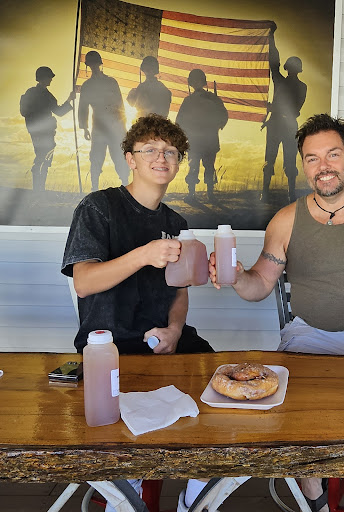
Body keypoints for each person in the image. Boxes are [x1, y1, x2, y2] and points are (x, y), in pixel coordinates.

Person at [209, 114, 344, 512]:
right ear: (304, 166)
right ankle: (315, 495)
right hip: (307, 336)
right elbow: (259, 285)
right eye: (312, 158)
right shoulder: (285, 220)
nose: (323, 166)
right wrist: (238, 276)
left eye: (333, 154)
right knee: (298, 419)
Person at [62, 113, 212, 511]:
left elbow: (179, 292)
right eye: (150, 150)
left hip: (167, 343)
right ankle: (125, 492)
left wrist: (175, 330)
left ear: (178, 163)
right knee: (128, 431)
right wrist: (144, 254)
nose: (162, 158)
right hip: (111, 347)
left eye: (171, 152)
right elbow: (84, 282)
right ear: (130, 158)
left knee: (217, 399)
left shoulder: (175, 222)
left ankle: (196, 496)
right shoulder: (99, 208)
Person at [260, 24, 307, 204]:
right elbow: (274, 62)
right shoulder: (300, 86)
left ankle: (277, 194)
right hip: (285, 125)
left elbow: (274, 62)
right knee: (279, 161)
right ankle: (286, 194)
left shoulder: (286, 83)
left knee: (275, 161)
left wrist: (271, 37)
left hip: (280, 124)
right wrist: (271, 37)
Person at [78, 50, 130, 191]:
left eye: (95, 64)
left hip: (114, 125)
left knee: (119, 157)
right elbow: (83, 107)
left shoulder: (111, 82)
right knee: (96, 158)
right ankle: (94, 188)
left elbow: (120, 104)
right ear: (88, 66)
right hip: (98, 126)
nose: (94, 67)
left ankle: (125, 185)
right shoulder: (87, 86)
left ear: (99, 64)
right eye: (91, 64)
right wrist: (84, 127)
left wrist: (122, 126)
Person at [176, 68, 228, 202]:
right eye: (194, 81)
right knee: (194, 167)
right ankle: (192, 194)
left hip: (208, 139)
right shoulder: (190, 100)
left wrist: (217, 125)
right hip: (196, 140)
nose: (196, 83)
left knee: (208, 166)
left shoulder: (212, 99)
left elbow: (223, 115)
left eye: (198, 80)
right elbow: (180, 120)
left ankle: (210, 194)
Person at [20, 66, 75, 191]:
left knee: (44, 158)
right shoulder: (44, 95)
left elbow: (58, 111)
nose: (51, 79)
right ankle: (39, 189)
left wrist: (69, 99)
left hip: (40, 131)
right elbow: (59, 112)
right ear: (44, 78)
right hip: (43, 132)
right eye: (50, 77)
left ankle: (39, 188)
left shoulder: (36, 93)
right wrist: (69, 100)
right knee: (43, 158)